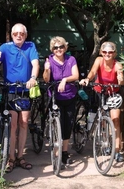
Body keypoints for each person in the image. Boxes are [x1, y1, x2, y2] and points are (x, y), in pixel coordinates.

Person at [0, 23, 39, 173]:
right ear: (11, 35)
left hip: (25, 91)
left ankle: (20, 156)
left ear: (25, 35)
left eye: (21, 33)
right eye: (15, 33)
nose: (18, 36)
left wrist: (33, 77)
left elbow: (35, 64)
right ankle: (11, 157)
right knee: (13, 124)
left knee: (24, 123)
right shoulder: (5, 47)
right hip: (11, 90)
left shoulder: (30, 46)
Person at [79, 41, 124, 162]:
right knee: (101, 118)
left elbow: (121, 80)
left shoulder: (118, 65)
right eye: (105, 52)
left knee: (115, 121)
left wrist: (121, 79)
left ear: (114, 53)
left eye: (110, 52)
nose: (107, 54)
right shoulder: (99, 60)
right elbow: (93, 71)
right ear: (101, 52)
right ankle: (104, 141)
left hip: (113, 94)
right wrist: (88, 79)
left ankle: (117, 150)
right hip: (99, 91)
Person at [42, 36, 79, 166]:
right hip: (55, 96)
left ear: (65, 47)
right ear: (52, 49)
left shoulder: (71, 59)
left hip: (70, 95)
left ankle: (64, 152)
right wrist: (46, 69)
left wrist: (64, 80)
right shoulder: (50, 61)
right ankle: (56, 153)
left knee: (68, 124)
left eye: (61, 47)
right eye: (55, 47)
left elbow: (76, 76)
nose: (59, 49)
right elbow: (46, 80)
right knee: (58, 124)